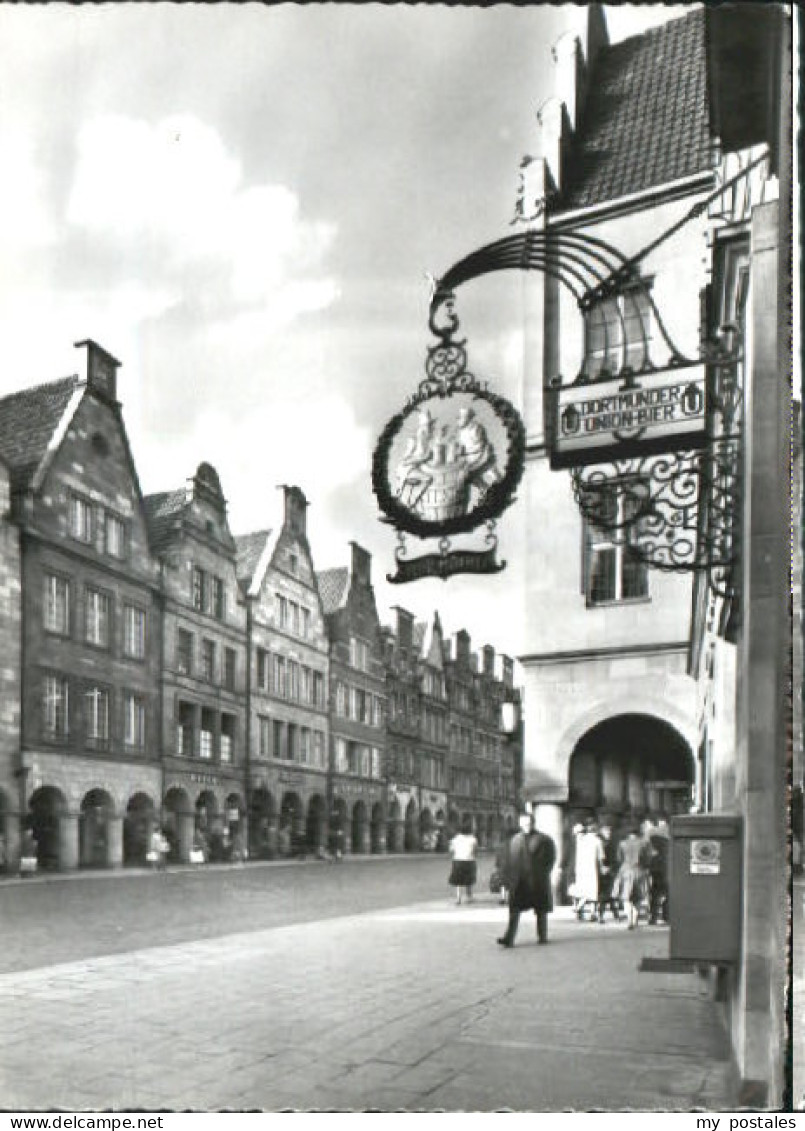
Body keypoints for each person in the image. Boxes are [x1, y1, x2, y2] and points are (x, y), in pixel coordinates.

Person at [497, 808, 557, 947]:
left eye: (528, 823)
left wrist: (543, 873)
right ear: (519, 824)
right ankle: (509, 938)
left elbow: (551, 858)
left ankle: (542, 936)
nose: (526, 826)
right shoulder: (515, 840)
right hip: (519, 881)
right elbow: (508, 860)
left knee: (540, 910)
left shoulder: (544, 839)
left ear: (533, 823)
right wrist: (507, 879)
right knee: (514, 910)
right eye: (523, 823)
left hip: (537, 880)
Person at [614, 823, 653, 929]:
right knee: (638, 897)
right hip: (639, 871)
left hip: (625, 871)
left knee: (626, 898)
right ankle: (635, 920)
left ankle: (629, 920)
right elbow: (648, 858)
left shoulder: (622, 844)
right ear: (638, 833)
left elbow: (618, 858)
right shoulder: (644, 843)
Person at [573, 820, 604, 921]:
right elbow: (601, 857)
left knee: (583, 890)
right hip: (592, 868)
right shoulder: (597, 841)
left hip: (581, 868)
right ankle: (585, 910)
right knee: (592, 891)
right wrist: (602, 866)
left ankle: (591, 912)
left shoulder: (582, 839)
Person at [448, 816, 478, 904]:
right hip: (469, 860)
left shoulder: (455, 839)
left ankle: (458, 898)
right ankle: (469, 897)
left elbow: (451, 850)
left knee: (458, 880)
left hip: (458, 861)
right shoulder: (473, 839)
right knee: (469, 880)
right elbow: (475, 851)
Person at [596, 823, 620, 923]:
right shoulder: (602, 843)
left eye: (610, 832)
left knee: (608, 893)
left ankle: (612, 914)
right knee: (606, 894)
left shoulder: (607, 842)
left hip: (608, 870)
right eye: (607, 832)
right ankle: (608, 915)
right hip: (604, 870)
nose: (609, 834)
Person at [647, 818, 670, 925]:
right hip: (665, 874)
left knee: (655, 896)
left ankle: (654, 916)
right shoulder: (668, 848)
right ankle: (666, 916)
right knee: (667, 895)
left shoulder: (653, 852)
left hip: (656, 874)